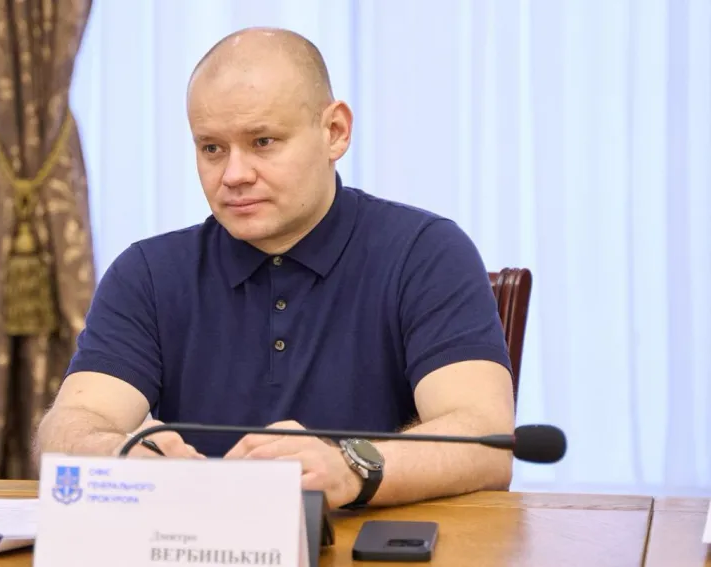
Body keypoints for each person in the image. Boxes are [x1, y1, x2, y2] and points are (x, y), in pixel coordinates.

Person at [35, 27, 516, 509]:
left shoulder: (427, 252)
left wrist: (350, 468)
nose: (234, 175)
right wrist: (118, 455)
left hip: (375, 540)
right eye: (211, 148)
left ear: (335, 132)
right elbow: (67, 428)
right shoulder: (147, 273)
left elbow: (486, 442)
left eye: (262, 141)